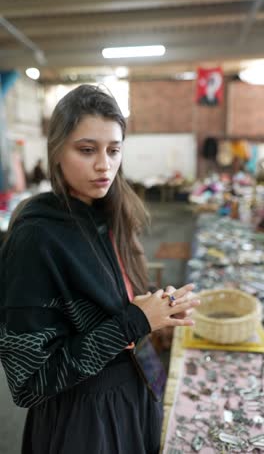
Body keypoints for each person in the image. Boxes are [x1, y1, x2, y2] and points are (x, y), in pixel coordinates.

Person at [0, 85, 200, 454]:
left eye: (114, 149)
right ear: (57, 149)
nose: (104, 165)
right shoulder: (37, 237)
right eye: (87, 150)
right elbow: (30, 382)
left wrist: (158, 312)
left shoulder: (107, 213)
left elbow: (109, 309)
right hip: (84, 420)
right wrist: (134, 321)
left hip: (133, 393)